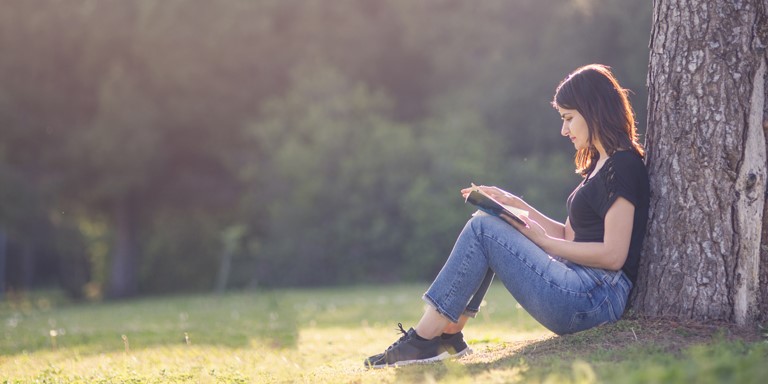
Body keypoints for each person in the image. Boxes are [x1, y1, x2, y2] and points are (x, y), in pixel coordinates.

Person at [364, 64, 650, 368]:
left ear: (594, 111)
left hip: (596, 298)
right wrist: (514, 204)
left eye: (569, 119)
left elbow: (613, 255)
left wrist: (545, 244)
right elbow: (568, 235)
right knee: (488, 222)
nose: (564, 130)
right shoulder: (599, 165)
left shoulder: (623, 166)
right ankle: (447, 336)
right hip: (582, 287)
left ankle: (424, 341)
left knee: (483, 229)